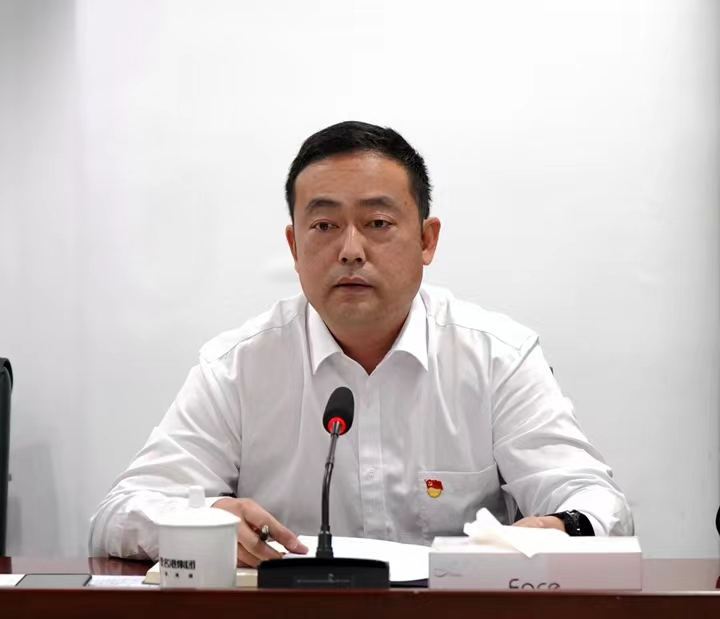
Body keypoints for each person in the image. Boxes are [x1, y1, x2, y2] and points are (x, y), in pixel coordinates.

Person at [89, 121, 634, 566]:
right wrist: (202, 523)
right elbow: (117, 514)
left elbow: (597, 503)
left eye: (377, 222)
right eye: (324, 226)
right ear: (294, 246)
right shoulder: (238, 367)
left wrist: (562, 527)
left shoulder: (498, 359)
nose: (351, 250)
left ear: (427, 240)